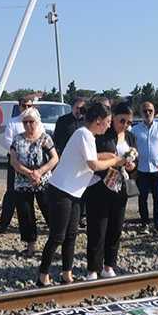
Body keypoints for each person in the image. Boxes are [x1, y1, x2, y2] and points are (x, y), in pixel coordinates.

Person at [37, 102, 125, 286]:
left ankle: (66, 273)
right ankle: (43, 273)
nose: (109, 125)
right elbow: (93, 164)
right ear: (99, 121)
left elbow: (94, 156)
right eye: (108, 121)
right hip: (61, 190)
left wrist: (111, 157)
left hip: (75, 192)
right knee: (58, 236)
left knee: (72, 234)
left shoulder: (89, 136)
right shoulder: (83, 134)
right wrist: (115, 161)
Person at [84, 102, 137, 279]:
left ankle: (109, 265)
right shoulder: (101, 135)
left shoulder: (130, 137)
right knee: (97, 229)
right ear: (113, 117)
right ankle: (93, 268)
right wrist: (114, 160)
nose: (125, 125)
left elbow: (134, 163)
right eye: (122, 121)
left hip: (120, 187)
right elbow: (91, 159)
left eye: (129, 123)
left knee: (115, 228)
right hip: (99, 186)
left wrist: (130, 165)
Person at [10, 107, 58, 257]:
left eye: (31, 122)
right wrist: (29, 173)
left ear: (37, 122)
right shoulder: (17, 139)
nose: (28, 125)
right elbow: (14, 161)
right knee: (26, 215)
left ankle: (55, 245)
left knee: (50, 213)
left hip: (43, 182)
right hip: (22, 183)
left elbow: (55, 158)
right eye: (25, 122)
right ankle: (30, 246)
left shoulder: (45, 138)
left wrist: (39, 172)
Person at [0, 95, 38, 233]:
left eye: (29, 106)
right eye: (24, 106)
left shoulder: (38, 122)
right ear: (19, 106)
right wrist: (20, 154)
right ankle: (4, 224)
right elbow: (8, 142)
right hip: (15, 162)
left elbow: (41, 140)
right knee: (11, 194)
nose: (26, 108)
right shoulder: (13, 122)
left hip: (34, 165)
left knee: (37, 195)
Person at [132, 101, 158, 234]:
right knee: (142, 198)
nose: (147, 113)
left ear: (154, 112)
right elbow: (132, 150)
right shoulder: (135, 130)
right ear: (141, 113)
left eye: (150, 111)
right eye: (145, 111)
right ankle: (144, 224)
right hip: (142, 170)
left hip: (157, 170)